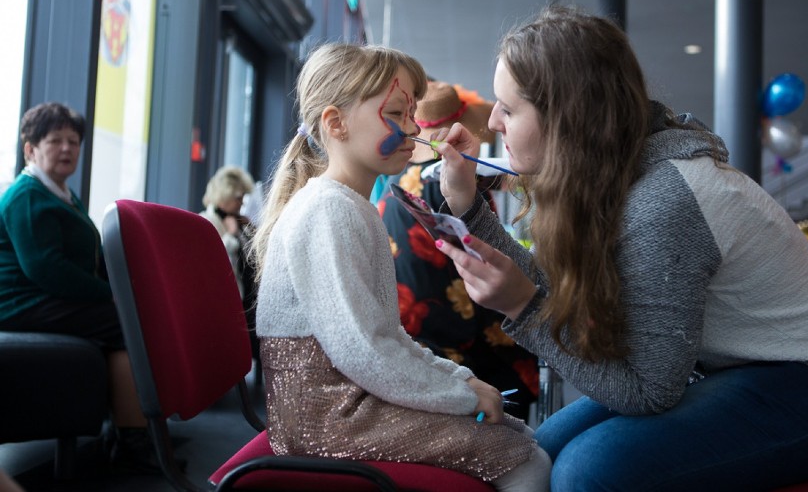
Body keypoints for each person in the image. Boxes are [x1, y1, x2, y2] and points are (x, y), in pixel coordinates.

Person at [432, 5, 808, 491]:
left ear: (567, 119)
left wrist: (523, 307)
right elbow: (547, 291)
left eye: (509, 107)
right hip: (749, 370)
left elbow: (646, 390)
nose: (494, 123)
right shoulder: (619, 174)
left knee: (586, 472)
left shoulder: (664, 202)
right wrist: (468, 208)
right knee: (538, 449)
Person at [250, 42, 550, 491]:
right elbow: (367, 351)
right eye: (396, 114)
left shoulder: (349, 206)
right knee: (524, 458)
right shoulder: (329, 211)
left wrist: (463, 381)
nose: (412, 130)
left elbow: (384, 339)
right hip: (328, 418)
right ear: (335, 123)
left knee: (518, 433)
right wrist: (460, 392)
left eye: (413, 115)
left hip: (350, 400)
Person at [0, 102, 158, 472]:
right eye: (55, 140)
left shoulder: (61, 194)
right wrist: (112, 295)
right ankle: (130, 440)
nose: (68, 148)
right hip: (21, 302)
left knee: (131, 318)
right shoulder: (26, 195)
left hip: (45, 299)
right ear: (30, 149)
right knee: (125, 322)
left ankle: (129, 433)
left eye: (74, 141)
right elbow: (47, 269)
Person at [378, 81, 539, 420]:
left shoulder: (397, 188)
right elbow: (490, 262)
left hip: (411, 336)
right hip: (455, 344)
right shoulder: (451, 185)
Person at [199, 165, 256, 300]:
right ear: (225, 195)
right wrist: (230, 235)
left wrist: (252, 232)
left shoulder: (238, 221)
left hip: (247, 298)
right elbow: (215, 263)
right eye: (238, 197)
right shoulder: (206, 221)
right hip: (226, 298)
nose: (242, 202)